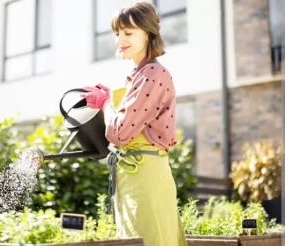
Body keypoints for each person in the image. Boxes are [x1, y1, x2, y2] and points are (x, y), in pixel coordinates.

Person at [81, 1, 188, 246]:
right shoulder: (139, 75)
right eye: (117, 33)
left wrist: (105, 103)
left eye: (129, 33)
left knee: (148, 239)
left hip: (145, 175)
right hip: (135, 171)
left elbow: (120, 132)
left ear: (148, 32)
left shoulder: (152, 74)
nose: (120, 40)